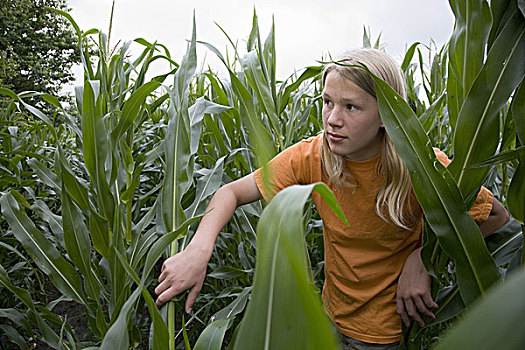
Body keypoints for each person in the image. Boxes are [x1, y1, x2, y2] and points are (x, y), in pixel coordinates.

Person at [154, 48, 509, 349]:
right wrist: (198, 250)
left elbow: (496, 217)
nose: (332, 120)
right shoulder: (315, 156)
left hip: (385, 333)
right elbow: (230, 192)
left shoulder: (422, 166)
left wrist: (423, 257)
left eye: (351, 107)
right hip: (328, 318)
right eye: (327, 102)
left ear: (387, 114)